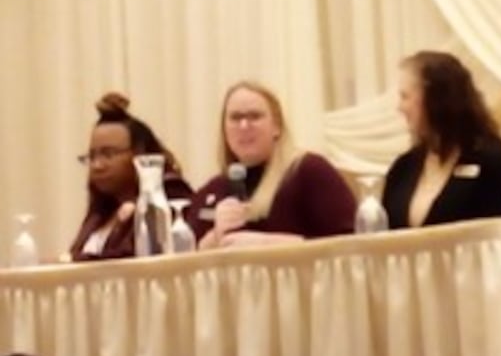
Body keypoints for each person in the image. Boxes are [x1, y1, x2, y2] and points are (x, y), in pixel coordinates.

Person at [186, 81, 356, 248]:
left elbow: (351, 243)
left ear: (277, 126)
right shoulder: (214, 190)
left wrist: (269, 244)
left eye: (254, 116)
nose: (244, 126)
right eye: (235, 118)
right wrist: (215, 236)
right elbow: (186, 255)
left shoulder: (308, 171)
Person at [381, 50, 501, 228]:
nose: (400, 107)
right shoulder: (403, 167)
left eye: (405, 97)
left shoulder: (489, 160)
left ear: (434, 98)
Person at [69, 93, 193, 261]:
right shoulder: (101, 212)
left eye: (108, 154)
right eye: (92, 156)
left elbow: (135, 258)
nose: (97, 165)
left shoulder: (169, 194)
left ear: (139, 154)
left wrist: (68, 261)